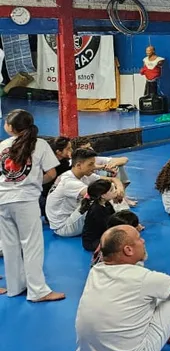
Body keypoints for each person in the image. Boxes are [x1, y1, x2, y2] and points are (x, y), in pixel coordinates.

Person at [76, 225, 170, 351]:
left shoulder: (95, 272)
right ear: (128, 250)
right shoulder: (142, 278)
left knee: (154, 295)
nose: (143, 241)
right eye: (139, 238)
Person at [0, 110, 64, 301]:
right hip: (25, 200)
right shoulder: (40, 144)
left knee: (10, 245)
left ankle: (15, 286)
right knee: (31, 245)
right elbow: (51, 173)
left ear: (11, 128)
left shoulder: (2, 145)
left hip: (2, 199)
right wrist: (34, 182)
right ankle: (38, 291)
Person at [46, 148, 111, 237]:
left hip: (72, 216)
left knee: (107, 193)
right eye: (91, 164)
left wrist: (118, 185)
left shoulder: (82, 174)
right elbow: (96, 195)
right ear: (79, 165)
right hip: (64, 227)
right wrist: (116, 192)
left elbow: (111, 180)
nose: (94, 167)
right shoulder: (69, 181)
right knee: (101, 199)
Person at [40, 135, 72, 221]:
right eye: (68, 149)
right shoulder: (49, 165)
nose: (71, 151)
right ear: (58, 152)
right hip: (43, 196)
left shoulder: (64, 162)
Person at [81, 180, 118, 252]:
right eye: (111, 190)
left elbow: (114, 218)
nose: (115, 191)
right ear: (103, 195)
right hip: (92, 242)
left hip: (103, 234)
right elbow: (108, 227)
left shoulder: (107, 204)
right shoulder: (96, 210)